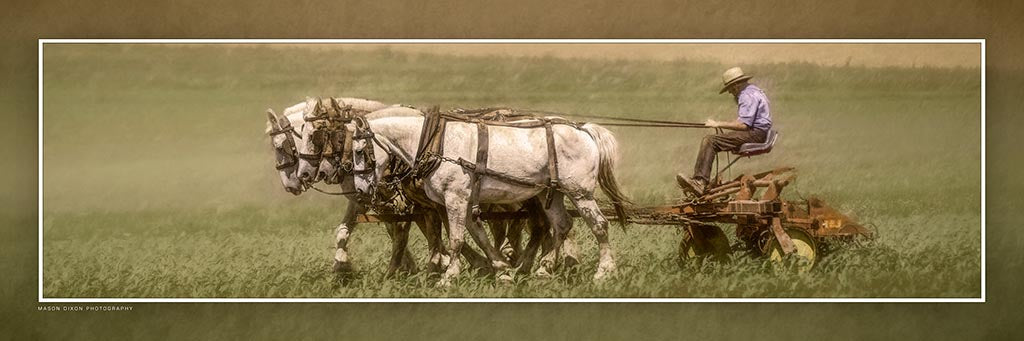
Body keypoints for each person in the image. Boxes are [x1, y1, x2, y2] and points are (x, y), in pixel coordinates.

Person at [677, 67, 773, 195]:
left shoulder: (746, 95)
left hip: (755, 133)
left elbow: (743, 125)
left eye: (730, 89)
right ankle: (701, 181)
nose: (730, 92)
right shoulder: (754, 91)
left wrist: (718, 123)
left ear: (736, 85)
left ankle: (700, 182)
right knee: (713, 140)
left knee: (710, 140)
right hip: (757, 132)